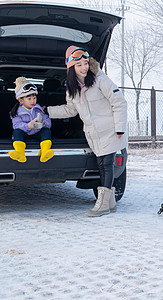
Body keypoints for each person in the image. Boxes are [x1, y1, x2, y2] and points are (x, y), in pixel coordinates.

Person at [46, 46, 128, 217]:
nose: (84, 68)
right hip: (93, 133)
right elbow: (70, 110)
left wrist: (120, 127)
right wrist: (47, 111)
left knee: (107, 164)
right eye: (79, 65)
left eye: (85, 63)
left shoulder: (100, 79)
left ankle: (103, 204)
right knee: (101, 165)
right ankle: (110, 203)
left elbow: (119, 102)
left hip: (111, 130)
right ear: (71, 68)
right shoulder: (73, 87)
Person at [9, 77, 54, 163]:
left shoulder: (39, 109)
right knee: (17, 132)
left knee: (46, 131)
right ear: (21, 100)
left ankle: (45, 151)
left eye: (34, 98)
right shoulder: (16, 112)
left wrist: (43, 123)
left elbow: (48, 122)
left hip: (37, 132)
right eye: (29, 99)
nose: (33, 101)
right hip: (25, 133)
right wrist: (28, 126)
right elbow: (16, 125)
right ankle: (19, 153)